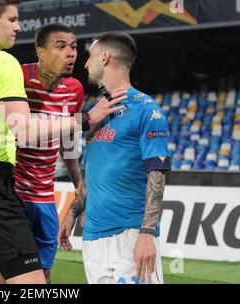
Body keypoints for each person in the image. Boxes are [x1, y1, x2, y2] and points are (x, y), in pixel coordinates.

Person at [0, 0, 126, 284]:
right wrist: (85, 118)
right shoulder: (4, 63)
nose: (18, 27)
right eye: (12, 19)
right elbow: (23, 128)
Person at [57, 32, 171, 284]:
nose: (85, 64)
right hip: (93, 238)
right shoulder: (97, 113)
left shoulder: (147, 110)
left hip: (129, 235)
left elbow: (157, 173)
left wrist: (147, 234)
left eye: (90, 56)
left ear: (105, 57)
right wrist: (73, 212)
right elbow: (96, 171)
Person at [14, 23, 86, 283]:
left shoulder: (75, 89)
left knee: (44, 274)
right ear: (40, 52)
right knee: (9, 273)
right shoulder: (17, 77)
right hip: (14, 194)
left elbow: (67, 139)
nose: (71, 53)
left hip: (45, 198)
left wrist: (78, 182)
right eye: (61, 46)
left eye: (74, 47)